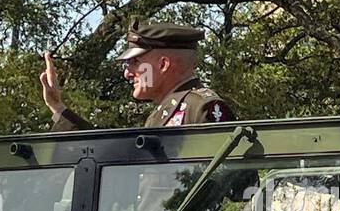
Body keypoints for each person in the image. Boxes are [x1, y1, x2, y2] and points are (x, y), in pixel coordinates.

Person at [42, 19, 237, 132]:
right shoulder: (161, 114)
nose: (127, 73)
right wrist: (57, 107)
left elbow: (236, 187)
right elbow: (110, 159)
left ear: (163, 64)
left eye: (135, 62)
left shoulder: (202, 108)